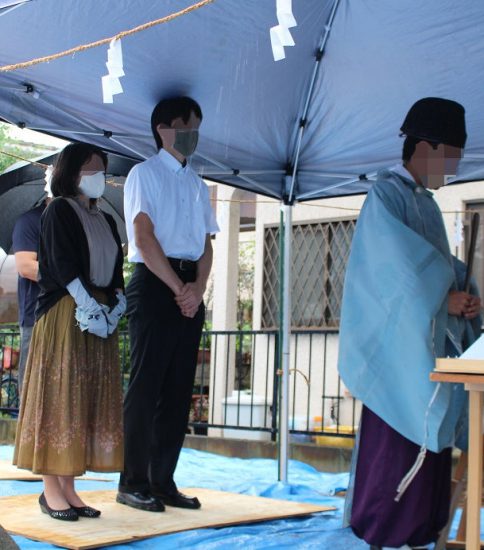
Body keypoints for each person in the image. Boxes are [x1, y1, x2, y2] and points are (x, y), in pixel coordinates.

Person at [338, 97, 482, 550]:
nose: (452, 169)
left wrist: (466, 288)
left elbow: (436, 265)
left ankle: (424, 531)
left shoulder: (428, 205)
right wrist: (445, 297)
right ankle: (385, 530)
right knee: (398, 443)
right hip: (397, 354)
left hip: (426, 345)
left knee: (431, 431)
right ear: (424, 147)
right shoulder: (386, 196)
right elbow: (393, 274)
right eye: (451, 158)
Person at [14, 143, 126, 521]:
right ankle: (51, 492)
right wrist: (88, 304)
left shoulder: (105, 219)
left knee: (84, 400)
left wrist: (118, 303)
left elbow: (115, 269)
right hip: (66, 311)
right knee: (61, 397)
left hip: (99, 313)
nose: (98, 175)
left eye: (101, 168)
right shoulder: (59, 209)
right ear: (71, 171)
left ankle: (70, 489)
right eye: (90, 167)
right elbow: (60, 264)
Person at [117, 96, 219, 512]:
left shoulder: (198, 183)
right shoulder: (144, 174)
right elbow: (143, 238)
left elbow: (208, 244)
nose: (192, 134)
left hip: (187, 288)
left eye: (196, 125)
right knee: (146, 387)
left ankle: (162, 481)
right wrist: (180, 287)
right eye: (185, 125)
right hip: (156, 284)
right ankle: (132, 481)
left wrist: (197, 286)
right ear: (163, 128)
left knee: (178, 391)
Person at [12, 168, 53, 394]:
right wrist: (69, 278)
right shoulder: (30, 221)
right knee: (33, 391)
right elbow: (26, 266)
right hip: (36, 317)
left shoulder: (78, 221)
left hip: (74, 316)